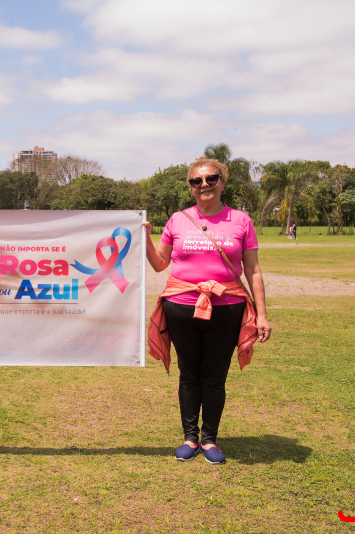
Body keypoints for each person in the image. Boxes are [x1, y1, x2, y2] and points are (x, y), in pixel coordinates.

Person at [144, 157, 272, 464]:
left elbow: (253, 270)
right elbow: (160, 264)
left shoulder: (241, 220)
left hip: (227, 308)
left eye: (211, 178)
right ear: (190, 186)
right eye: (196, 181)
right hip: (181, 307)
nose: (204, 185)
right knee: (189, 375)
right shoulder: (178, 219)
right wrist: (145, 238)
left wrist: (263, 315)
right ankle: (190, 437)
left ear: (222, 182)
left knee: (214, 377)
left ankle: (209, 439)